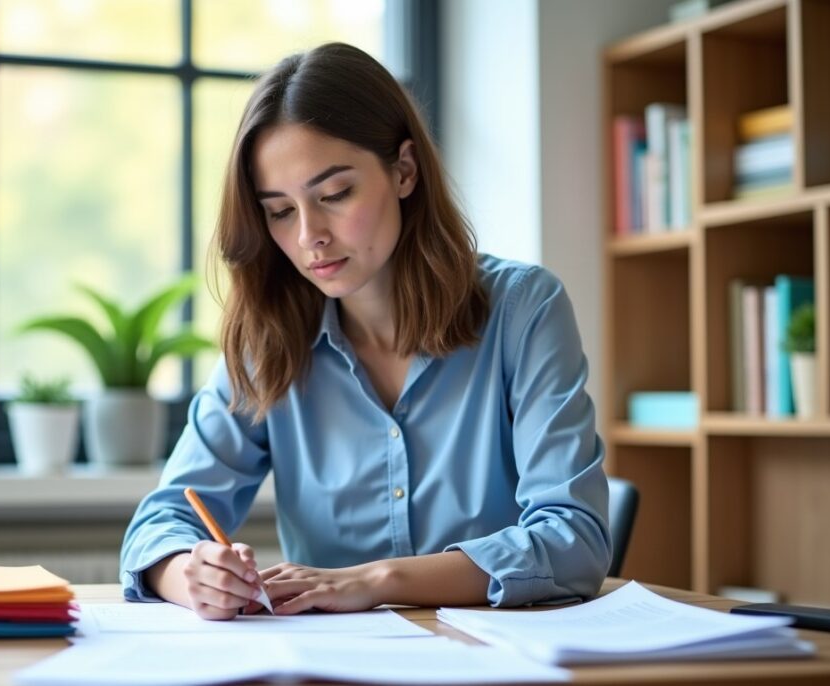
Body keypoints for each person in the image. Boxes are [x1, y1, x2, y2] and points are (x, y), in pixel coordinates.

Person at [119, 42, 610, 620]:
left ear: (404, 171)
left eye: (334, 195)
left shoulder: (523, 310)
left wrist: (376, 581)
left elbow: (575, 541)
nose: (309, 236)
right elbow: (159, 525)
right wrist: (190, 575)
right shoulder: (268, 338)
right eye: (280, 210)